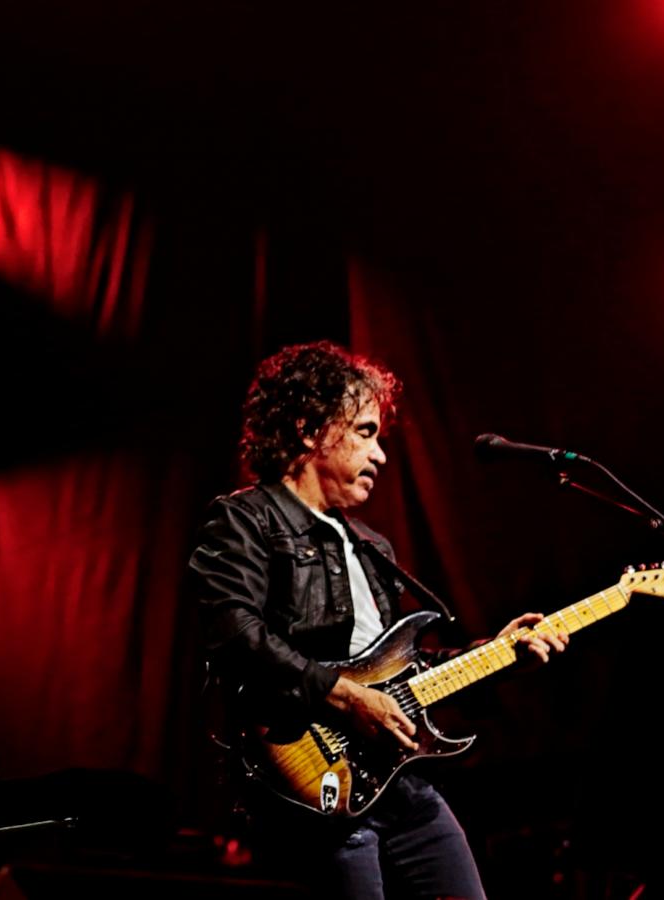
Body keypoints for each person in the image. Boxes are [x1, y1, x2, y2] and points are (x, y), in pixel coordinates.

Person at [187, 341, 567, 899]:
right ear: (309, 430)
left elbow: (398, 672)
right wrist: (345, 697)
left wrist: (498, 655)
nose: (381, 455)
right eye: (365, 432)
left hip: (400, 783)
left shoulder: (373, 547)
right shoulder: (245, 520)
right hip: (314, 785)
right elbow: (233, 634)